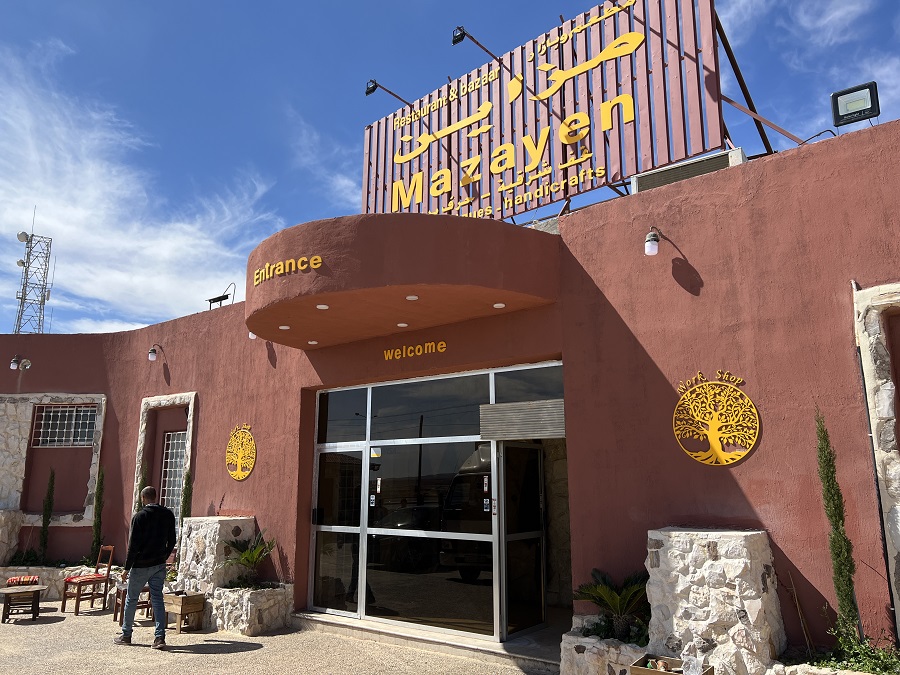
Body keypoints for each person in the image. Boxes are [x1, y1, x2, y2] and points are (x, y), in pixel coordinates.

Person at [114, 485, 176, 649]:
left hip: (141, 565)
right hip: (158, 564)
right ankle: (159, 637)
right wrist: (164, 556)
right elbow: (172, 540)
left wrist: (126, 568)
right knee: (157, 599)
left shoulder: (139, 517)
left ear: (143, 498)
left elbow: (133, 546)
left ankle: (126, 634)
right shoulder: (168, 514)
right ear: (155, 497)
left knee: (132, 599)